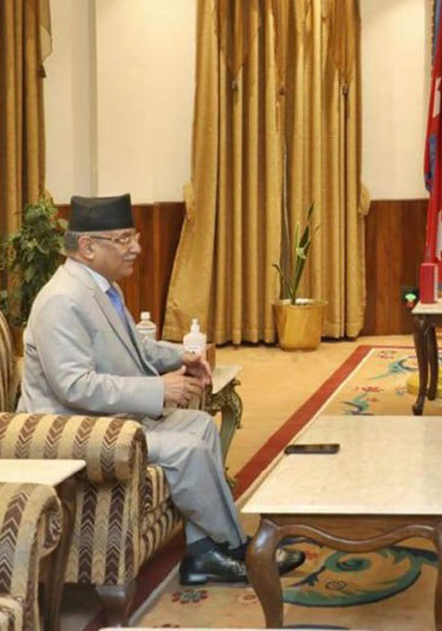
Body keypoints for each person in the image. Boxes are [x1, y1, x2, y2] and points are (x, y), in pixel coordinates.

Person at [19, 194, 304, 585]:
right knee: (186, 450)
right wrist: (158, 389)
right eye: (123, 239)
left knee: (200, 427)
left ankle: (206, 552)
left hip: (108, 420)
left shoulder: (101, 288)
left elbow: (134, 347)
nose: (136, 248)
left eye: (134, 237)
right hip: (75, 432)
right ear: (87, 247)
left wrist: (182, 356)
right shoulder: (61, 301)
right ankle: (234, 547)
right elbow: (75, 386)